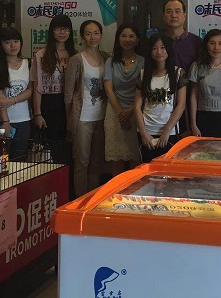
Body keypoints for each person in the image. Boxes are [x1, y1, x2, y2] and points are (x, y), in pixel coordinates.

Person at [64, 20, 109, 197]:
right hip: (82, 118)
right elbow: (68, 94)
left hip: (102, 116)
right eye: (88, 34)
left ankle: (93, 198)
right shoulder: (76, 60)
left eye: (96, 33)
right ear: (82, 36)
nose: (93, 37)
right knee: (81, 162)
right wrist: (70, 119)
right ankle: (80, 200)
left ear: (101, 35)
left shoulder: (106, 57)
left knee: (97, 162)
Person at [30, 14, 76, 164]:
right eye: (58, 29)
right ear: (51, 31)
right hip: (49, 104)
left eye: (66, 29)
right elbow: (37, 87)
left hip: (70, 103)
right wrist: (38, 114)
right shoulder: (41, 55)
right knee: (50, 148)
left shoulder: (75, 55)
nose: (62, 32)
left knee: (68, 147)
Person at [133, 33, 187, 163]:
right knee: (147, 168)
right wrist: (143, 133)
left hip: (169, 132)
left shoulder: (178, 73)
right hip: (147, 132)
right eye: (154, 48)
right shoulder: (143, 74)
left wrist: (167, 130)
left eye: (163, 47)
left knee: (168, 169)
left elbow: (181, 105)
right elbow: (137, 106)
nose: (159, 52)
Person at [104, 23, 144, 176]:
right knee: (117, 160)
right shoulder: (110, 62)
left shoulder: (144, 61)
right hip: (114, 113)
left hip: (137, 112)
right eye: (124, 36)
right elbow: (109, 90)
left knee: (136, 158)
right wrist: (121, 114)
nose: (127, 40)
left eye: (131, 36)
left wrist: (130, 112)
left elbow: (144, 91)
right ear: (118, 39)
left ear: (137, 39)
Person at [0, 27, 32, 159]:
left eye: (16, 41)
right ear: (1, 44)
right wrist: (5, 121)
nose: (13, 45)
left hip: (23, 119)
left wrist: (12, 100)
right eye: (7, 42)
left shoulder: (28, 63)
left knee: (20, 159)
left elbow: (31, 90)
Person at [163, 0, 201, 71]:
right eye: (169, 11)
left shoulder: (197, 42)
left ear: (184, 15)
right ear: (164, 16)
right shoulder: (157, 41)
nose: (173, 15)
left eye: (177, 11)